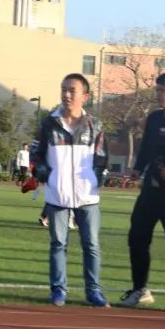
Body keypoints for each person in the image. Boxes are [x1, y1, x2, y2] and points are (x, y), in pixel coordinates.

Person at [31, 73, 109, 308]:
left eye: (72, 90)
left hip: (87, 196)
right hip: (57, 194)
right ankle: (58, 291)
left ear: (84, 96)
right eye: (63, 89)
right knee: (58, 244)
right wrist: (45, 175)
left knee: (92, 245)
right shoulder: (48, 124)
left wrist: (95, 179)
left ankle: (94, 292)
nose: (66, 94)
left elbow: (102, 157)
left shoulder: (94, 125)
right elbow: (36, 154)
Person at [117, 72, 165, 313]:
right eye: (157, 90)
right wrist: (136, 170)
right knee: (137, 237)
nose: (158, 94)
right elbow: (147, 148)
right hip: (151, 188)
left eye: (163, 90)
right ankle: (140, 290)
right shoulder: (155, 118)